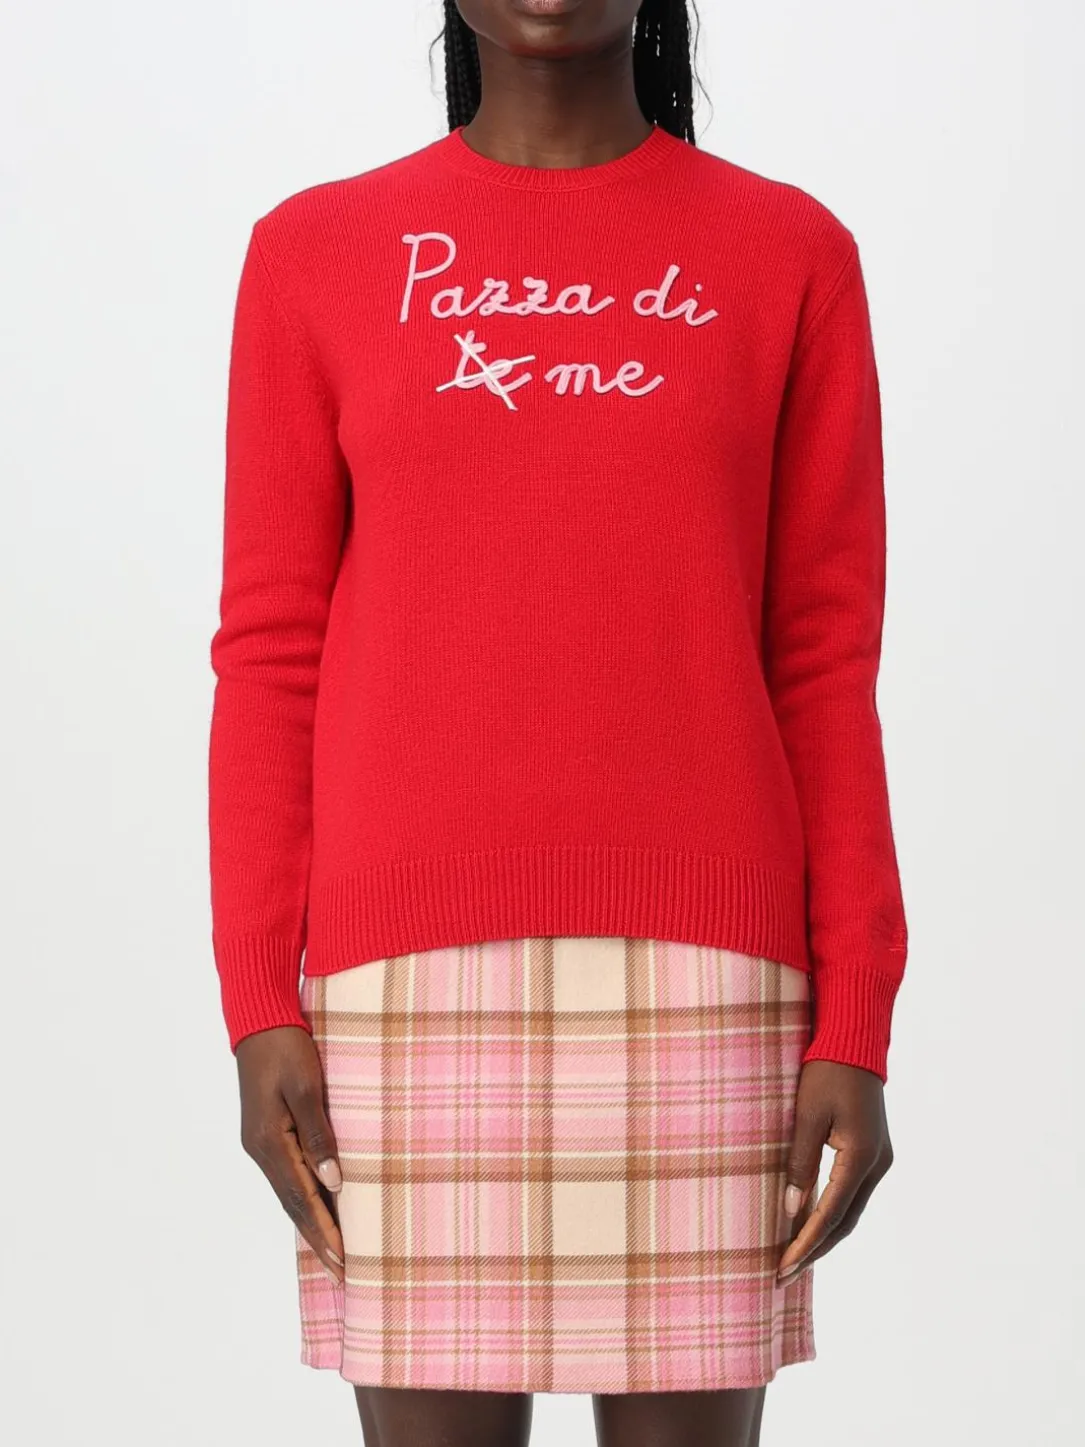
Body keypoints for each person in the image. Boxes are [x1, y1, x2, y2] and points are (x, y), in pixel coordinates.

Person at [207, 2, 908, 1443]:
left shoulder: (790, 256)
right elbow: (271, 655)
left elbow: (824, 660)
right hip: (398, 981)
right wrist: (258, 998)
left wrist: (859, 1011)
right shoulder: (312, 256)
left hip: (713, 980)